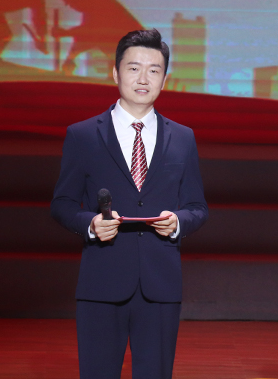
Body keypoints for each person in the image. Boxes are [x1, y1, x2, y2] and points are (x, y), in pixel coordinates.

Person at [51, 29, 208, 379]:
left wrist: (178, 222)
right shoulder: (82, 135)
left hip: (160, 284)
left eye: (154, 70)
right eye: (134, 68)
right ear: (115, 73)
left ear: (164, 80)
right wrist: (91, 225)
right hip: (101, 282)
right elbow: (62, 203)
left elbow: (197, 207)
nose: (143, 78)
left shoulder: (183, 138)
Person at [53, 0, 144, 76]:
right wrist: (70, 59)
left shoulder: (100, 2)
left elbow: (92, 31)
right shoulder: (92, 5)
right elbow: (83, 38)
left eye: (70, 2)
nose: (71, 6)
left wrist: (65, 34)